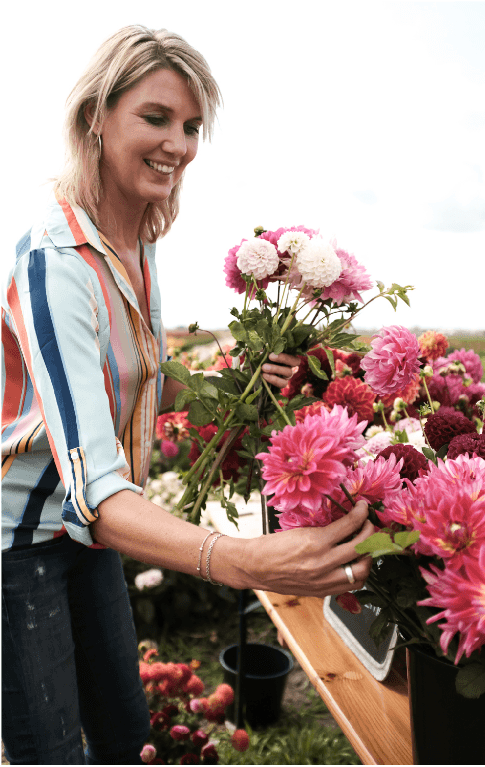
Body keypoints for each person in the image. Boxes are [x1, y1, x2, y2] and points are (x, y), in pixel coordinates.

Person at [1, 26, 372, 764]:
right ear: (95, 119)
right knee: (50, 752)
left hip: (89, 533)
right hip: (20, 542)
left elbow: (138, 370)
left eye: (192, 125)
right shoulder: (55, 263)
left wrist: (224, 380)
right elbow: (96, 492)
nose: (179, 142)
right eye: (156, 117)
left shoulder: (136, 239)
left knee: (126, 736)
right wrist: (240, 557)